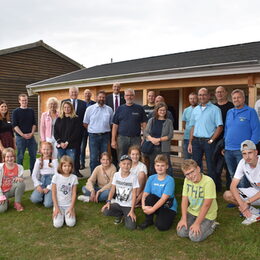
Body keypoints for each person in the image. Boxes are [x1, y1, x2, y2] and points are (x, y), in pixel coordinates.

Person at [224, 89, 260, 188]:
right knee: (233, 175)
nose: (236, 99)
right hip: (228, 149)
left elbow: (256, 131)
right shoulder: (229, 112)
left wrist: (250, 149)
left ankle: (245, 201)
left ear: (244, 99)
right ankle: (236, 198)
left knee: (244, 177)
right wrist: (224, 145)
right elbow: (227, 129)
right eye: (234, 98)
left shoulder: (250, 111)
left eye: (239, 97)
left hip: (243, 151)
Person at [177, 159, 218, 242]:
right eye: (187, 174)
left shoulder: (208, 181)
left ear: (198, 169)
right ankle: (193, 223)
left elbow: (206, 205)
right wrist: (183, 219)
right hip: (192, 212)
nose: (190, 176)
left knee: (194, 237)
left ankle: (212, 225)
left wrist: (197, 223)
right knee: (181, 232)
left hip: (207, 215)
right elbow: (184, 199)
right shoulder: (187, 180)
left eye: (192, 172)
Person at [188, 88, 223, 184]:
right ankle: (199, 185)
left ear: (208, 96)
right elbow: (193, 127)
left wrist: (212, 140)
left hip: (208, 142)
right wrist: (190, 142)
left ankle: (213, 188)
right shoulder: (195, 110)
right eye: (200, 95)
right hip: (196, 142)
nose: (201, 97)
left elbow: (220, 127)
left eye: (204, 95)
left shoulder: (215, 109)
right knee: (196, 165)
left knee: (211, 165)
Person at [223, 140, 260, 225]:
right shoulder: (242, 162)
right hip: (255, 191)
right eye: (244, 154)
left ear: (256, 152)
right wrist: (242, 204)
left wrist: (247, 202)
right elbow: (233, 186)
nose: (247, 157)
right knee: (227, 194)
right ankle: (252, 212)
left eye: (250, 152)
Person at [139, 154, 177, 231]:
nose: (160, 168)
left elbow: (163, 199)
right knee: (149, 197)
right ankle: (148, 220)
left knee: (161, 227)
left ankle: (166, 216)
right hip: (156, 202)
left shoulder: (170, 180)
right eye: (158, 165)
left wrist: (151, 210)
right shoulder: (151, 178)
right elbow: (145, 194)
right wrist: (143, 206)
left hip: (167, 205)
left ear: (167, 166)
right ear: (155, 166)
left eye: (162, 165)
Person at [101, 155, 139, 230]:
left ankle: (126, 214)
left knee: (131, 227)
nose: (126, 166)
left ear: (131, 166)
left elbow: (134, 194)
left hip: (128, 205)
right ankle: (119, 214)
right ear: (120, 164)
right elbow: (112, 190)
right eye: (124, 163)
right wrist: (108, 202)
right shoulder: (116, 175)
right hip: (118, 203)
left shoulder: (133, 177)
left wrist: (132, 210)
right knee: (105, 211)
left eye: (128, 164)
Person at [112, 88, 147, 160]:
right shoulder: (119, 109)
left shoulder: (139, 108)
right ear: (124, 97)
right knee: (121, 158)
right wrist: (113, 140)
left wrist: (144, 137)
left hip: (136, 139)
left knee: (136, 158)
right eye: (127, 95)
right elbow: (115, 126)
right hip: (122, 139)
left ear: (134, 96)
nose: (129, 97)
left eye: (131, 95)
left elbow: (144, 124)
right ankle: (121, 171)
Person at [83, 90, 113, 173]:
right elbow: (85, 123)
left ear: (105, 99)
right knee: (93, 158)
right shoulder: (90, 109)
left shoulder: (109, 110)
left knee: (105, 158)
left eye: (103, 97)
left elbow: (111, 123)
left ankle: (103, 176)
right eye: (100, 97)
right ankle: (93, 177)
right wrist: (93, 130)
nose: (101, 99)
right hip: (93, 136)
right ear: (96, 98)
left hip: (105, 136)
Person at [143, 102, 173, 176]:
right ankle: (153, 182)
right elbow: (146, 133)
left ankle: (168, 182)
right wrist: (152, 139)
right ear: (157, 111)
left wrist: (158, 139)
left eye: (164, 110)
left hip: (164, 148)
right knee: (153, 166)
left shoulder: (168, 121)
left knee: (166, 165)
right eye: (160, 110)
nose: (162, 112)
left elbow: (170, 135)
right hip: (152, 147)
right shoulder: (151, 120)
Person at [213, 86, 234, 191]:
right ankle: (217, 187)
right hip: (215, 140)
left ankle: (230, 188)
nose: (219, 94)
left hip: (228, 140)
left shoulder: (232, 107)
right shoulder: (213, 107)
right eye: (217, 92)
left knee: (228, 166)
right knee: (216, 167)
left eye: (221, 92)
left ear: (226, 93)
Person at [63, 86, 87, 177]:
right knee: (67, 153)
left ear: (78, 93)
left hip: (79, 133)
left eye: (75, 92)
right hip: (66, 133)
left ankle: (76, 170)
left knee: (77, 152)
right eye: (72, 92)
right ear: (69, 93)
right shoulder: (64, 102)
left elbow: (85, 118)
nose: (73, 94)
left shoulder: (83, 104)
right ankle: (66, 170)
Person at [12, 94, 37, 173]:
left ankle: (33, 172)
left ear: (27, 100)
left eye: (25, 100)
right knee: (20, 156)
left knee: (33, 156)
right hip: (20, 137)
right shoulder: (15, 112)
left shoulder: (31, 110)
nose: (24, 102)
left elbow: (34, 123)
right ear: (19, 101)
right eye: (22, 100)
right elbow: (15, 126)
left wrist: (32, 133)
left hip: (31, 137)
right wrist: (23, 134)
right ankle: (20, 174)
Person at [54, 101, 81, 173]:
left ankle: (72, 182)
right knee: (62, 165)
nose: (66, 109)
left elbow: (76, 133)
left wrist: (67, 142)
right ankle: (62, 180)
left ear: (71, 108)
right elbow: (55, 132)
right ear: (62, 108)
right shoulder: (59, 119)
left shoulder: (76, 119)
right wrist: (60, 142)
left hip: (71, 146)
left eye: (68, 107)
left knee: (70, 165)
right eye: (65, 107)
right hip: (61, 146)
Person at [52, 155, 78, 228]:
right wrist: (56, 208)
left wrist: (71, 207)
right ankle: (58, 213)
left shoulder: (74, 178)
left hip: (68, 205)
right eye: (65, 166)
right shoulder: (56, 177)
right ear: (61, 166)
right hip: (59, 205)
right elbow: (53, 193)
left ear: (72, 167)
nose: (67, 168)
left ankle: (70, 212)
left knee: (71, 223)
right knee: (57, 225)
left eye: (69, 166)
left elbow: (74, 194)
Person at [30, 142, 58, 208]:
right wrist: (37, 185)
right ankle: (44, 195)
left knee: (48, 204)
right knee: (34, 199)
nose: (46, 151)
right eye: (44, 149)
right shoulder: (38, 161)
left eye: (48, 149)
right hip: (41, 182)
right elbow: (34, 175)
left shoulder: (54, 161)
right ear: (41, 150)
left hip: (51, 182)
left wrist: (49, 188)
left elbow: (57, 176)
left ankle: (52, 195)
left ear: (51, 150)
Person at [106, 82, 126, 167]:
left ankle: (121, 161)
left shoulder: (123, 98)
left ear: (120, 88)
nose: (116, 88)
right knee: (112, 143)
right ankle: (114, 162)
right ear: (112, 87)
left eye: (118, 87)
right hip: (110, 124)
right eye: (114, 86)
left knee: (121, 144)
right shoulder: (108, 98)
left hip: (121, 125)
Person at [0, 148, 25, 212]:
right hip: (2, 191)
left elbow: (21, 181)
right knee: (2, 210)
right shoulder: (1, 168)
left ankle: (17, 203)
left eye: (11, 156)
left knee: (20, 183)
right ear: (4, 158)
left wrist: (20, 178)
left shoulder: (19, 167)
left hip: (11, 189)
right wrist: (1, 196)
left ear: (14, 157)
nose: (10, 159)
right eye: (7, 157)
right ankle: (6, 201)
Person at [80, 89, 95, 170]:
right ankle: (82, 163)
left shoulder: (94, 104)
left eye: (89, 93)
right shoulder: (81, 103)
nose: (87, 95)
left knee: (92, 147)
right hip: (83, 128)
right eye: (86, 93)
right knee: (82, 147)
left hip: (92, 128)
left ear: (91, 95)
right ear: (84, 94)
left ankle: (93, 163)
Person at [182, 92, 198, 159]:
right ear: (189, 100)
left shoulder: (200, 109)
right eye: (191, 98)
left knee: (197, 159)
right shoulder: (186, 110)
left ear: (197, 99)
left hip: (197, 138)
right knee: (187, 158)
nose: (192, 100)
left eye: (194, 98)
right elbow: (183, 123)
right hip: (187, 138)